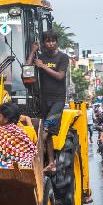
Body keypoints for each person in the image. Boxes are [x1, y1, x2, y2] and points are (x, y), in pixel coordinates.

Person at [27, 30, 69, 172]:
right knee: (48, 132)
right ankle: (51, 163)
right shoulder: (41, 57)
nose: (50, 43)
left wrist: (43, 66)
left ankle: (30, 157)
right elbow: (27, 68)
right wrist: (33, 51)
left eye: (53, 40)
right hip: (44, 99)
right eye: (47, 41)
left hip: (58, 99)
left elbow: (60, 77)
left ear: (57, 42)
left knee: (45, 129)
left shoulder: (63, 58)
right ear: (43, 43)